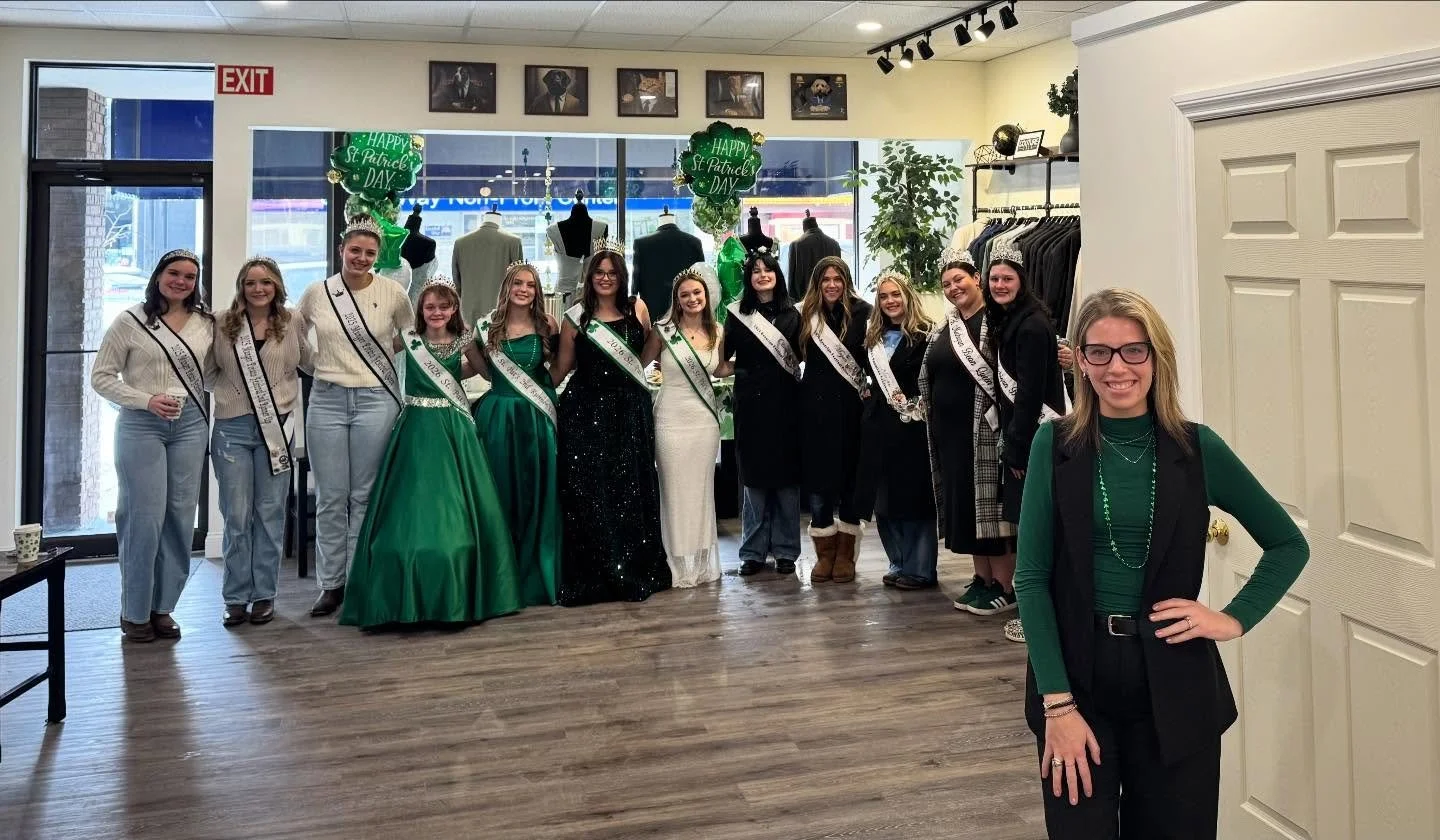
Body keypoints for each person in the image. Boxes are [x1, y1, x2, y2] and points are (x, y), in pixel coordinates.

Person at [1012, 289, 1309, 839]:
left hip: (1176, 683)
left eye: (1133, 351)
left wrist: (1234, 617)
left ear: (1157, 358)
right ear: (1079, 359)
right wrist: (1058, 706)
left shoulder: (1197, 449)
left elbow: (1289, 544)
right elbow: (1030, 580)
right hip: (1077, 679)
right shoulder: (1054, 446)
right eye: (1098, 352)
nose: (1116, 367)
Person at [339, 278, 520, 628]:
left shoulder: (463, 340)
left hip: (454, 429)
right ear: (420, 311)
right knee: (411, 500)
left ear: (454, 310)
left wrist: (459, 368)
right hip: (416, 429)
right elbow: (371, 357)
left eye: (444, 306)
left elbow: (486, 371)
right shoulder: (408, 340)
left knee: (455, 502)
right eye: (430, 307)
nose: (437, 312)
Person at [91, 248, 213, 643]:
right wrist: (145, 400)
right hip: (143, 424)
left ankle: (164, 608)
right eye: (174, 273)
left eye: (190, 276)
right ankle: (135, 611)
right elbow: (102, 377)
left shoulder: (205, 323)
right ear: (158, 275)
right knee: (143, 517)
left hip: (190, 423)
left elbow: (213, 374)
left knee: (179, 517)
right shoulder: (130, 322)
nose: (181, 281)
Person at [297, 217, 414, 619]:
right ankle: (331, 584)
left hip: (375, 399)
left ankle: (358, 577)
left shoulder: (394, 292)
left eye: (369, 253)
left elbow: (412, 336)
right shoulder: (317, 293)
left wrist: (381, 356)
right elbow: (293, 337)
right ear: (341, 250)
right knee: (331, 497)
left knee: (364, 496)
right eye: (355, 251)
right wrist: (320, 366)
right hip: (327, 400)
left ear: (377, 255)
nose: (361, 258)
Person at [550, 239, 670, 605]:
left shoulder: (638, 308)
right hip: (586, 414)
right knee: (591, 495)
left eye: (612, 272)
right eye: (599, 273)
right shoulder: (575, 316)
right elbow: (560, 370)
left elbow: (647, 357)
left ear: (622, 276)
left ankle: (632, 568)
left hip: (629, 411)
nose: (606, 278)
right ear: (590, 277)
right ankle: (597, 574)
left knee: (629, 490)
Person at [211, 257, 309, 627]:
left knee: (270, 514)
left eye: (266, 282)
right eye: (251, 282)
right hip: (232, 430)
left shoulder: (292, 321)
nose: (258, 289)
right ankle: (236, 596)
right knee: (236, 515)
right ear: (241, 286)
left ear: (277, 286)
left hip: (277, 429)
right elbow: (206, 371)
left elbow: (307, 361)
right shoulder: (222, 322)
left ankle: (264, 595)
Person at [985, 243, 1068, 624]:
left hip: (1034, 439)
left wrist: (1017, 449)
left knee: (1037, 527)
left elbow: (1030, 394)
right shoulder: (1011, 319)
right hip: (1026, 438)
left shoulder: (1031, 325)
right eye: (995, 278)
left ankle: (1041, 610)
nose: (1000, 284)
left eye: (1008, 278)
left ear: (1022, 281)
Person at [473, 261, 562, 606]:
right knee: (501, 493)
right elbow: (482, 370)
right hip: (498, 417)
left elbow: (555, 367)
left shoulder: (547, 325)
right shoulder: (486, 326)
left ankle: (534, 573)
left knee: (536, 493)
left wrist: (540, 396)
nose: (524, 290)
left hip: (535, 419)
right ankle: (501, 575)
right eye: (518, 284)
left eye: (531, 285)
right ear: (507, 287)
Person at [641, 264, 723, 588]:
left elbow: (719, 371)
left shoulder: (719, 331)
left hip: (704, 423)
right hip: (670, 419)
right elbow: (639, 364)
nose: (692, 298)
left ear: (706, 295)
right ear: (676, 300)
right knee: (674, 492)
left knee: (702, 491)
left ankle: (701, 562)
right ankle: (676, 564)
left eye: (696, 292)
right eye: (685, 294)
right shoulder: (663, 331)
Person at [854, 273, 937, 588]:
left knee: (914, 499)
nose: (890, 301)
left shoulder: (927, 334)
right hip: (878, 427)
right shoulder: (873, 336)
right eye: (884, 296)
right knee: (885, 500)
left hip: (911, 428)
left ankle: (921, 569)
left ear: (908, 296)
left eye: (895, 295)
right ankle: (899, 563)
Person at [723, 248, 803, 577]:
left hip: (786, 406)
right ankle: (752, 552)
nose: (761, 275)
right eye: (755, 271)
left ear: (776, 274)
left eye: (767, 269)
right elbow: (723, 358)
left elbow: (802, 357)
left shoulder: (793, 314)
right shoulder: (736, 314)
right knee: (754, 483)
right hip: (751, 407)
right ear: (748, 278)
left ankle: (786, 551)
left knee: (786, 483)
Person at [796, 256, 871, 583]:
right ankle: (824, 554)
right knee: (819, 484)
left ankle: (845, 555)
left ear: (846, 280)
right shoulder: (803, 315)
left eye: (837, 278)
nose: (831, 284)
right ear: (817, 282)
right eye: (825, 279)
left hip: (852, 411)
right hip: (813, 410)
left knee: (851, 482)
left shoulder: (865, 313)